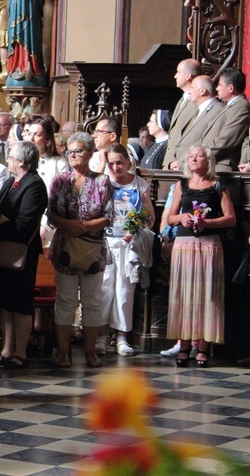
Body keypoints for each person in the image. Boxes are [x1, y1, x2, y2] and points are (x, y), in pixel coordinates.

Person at [47, 132, 113, 368]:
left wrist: (82, 226)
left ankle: (90, 352)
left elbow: (109, 217)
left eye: (79, 151)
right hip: (65, 248)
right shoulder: (60, 180)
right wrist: (69, 226)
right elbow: (51, 213)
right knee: (65, 301)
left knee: (92, 301)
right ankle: (63, 352)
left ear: (91, 153)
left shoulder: (102, 181)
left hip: (92, 250)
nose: (73, 155)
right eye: (70, 151)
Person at [165, 144, 235, 367]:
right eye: (191, 155)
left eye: (199, 156)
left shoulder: (218, 185)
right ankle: (184, 346)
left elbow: (231, 218)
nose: (194, 159)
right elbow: (170, 218)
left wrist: (208, 223)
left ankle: (203, 347)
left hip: (209, 246)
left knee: (208, 296)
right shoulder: (181, 185)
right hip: (184, 246)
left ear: (208, 161)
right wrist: (183, 217)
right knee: (183, 295)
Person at [0, 141, 47, 369]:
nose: (7, 160)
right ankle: (7, 349)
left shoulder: (35, 185)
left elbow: (26, 222)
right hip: (3, 249)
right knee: (5, 303)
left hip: (21, 251)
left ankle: (20, 352)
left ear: (21, 161)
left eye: (10, 157)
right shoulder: (11, 181)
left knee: (20, 303)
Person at [99, 144, 155, 357]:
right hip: (106, 241)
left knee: (124, 290)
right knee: (104, 290)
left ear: (128, 161)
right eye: (111, 163)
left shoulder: (140, 185)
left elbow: (149, 217)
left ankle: (122, 336)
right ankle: (101, 336)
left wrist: (137, 230)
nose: (115, 167)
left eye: (119, 162)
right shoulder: (103, 182)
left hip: (128, 244)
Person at [167, 75, 223, 170]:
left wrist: (182, 162)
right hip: (183, 167)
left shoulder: (217, 110)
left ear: (202, 91)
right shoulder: (198, 109)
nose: (189, 92)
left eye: (192, 88)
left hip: (198, 167)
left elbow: (208, 141)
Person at [5, 0, 47, 81]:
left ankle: (30, 66)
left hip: (28, 3)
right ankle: (15, 66)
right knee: (14, 34)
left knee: (29, 33)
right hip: (15, 0)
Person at [163, 59, 201, 169]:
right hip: (171, 164)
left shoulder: (197, 102)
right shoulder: (182, 100)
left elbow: (195, 136)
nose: (175, 76)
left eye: (178, 72)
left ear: (188, 76)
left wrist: (181, 162)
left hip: (184, 164)